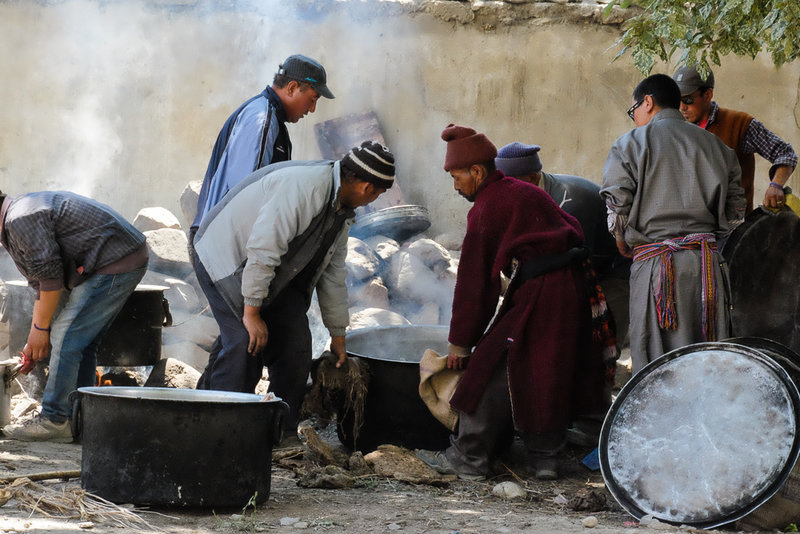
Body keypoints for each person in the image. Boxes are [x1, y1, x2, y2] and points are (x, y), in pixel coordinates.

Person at [416, 125, 604, 481]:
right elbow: (571, 227)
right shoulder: (523, 190)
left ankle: (468, 458)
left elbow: (475, 284)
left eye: (457, 178)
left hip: (544, 291)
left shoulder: (487, 207)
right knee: (548, 367)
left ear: (477, 172)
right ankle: (545, 459)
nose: (455, 187)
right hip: (572, 288)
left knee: (491, 368)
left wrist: (461, 343)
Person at [193, 142, 394, 431]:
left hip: (273, 275)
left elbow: (333, 274)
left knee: (296, 348)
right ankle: (221, 433)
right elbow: (264, 250)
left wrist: (338, 337)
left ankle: (279, 433)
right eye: (377, 194)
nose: (372, 200)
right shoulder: (306, 188)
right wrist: (252, 313)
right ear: (367, 188)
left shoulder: (342, 209)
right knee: (244, 345)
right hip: (226, 258)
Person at [600, 74, 746, 374]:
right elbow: (735, 215)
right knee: (707, 358)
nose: (635, 118)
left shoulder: (629, 144)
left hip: (655, 267)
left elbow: (617, 209)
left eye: (634, 111)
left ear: (648, 102)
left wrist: (621, 240)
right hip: (706, 268)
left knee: (656, 365)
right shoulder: (717, 147)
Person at [0, 190, 148, 442]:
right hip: (118, 258)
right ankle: (80, 418)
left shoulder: (19, 219)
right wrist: (35, 337)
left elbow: (50, 278)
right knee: (81, 342)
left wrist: (41, 329)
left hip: (115, 263)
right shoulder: (16, 217)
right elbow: (41, 281)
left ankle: (55, 420)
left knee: (65, 335)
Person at [191, 54, 334, 242]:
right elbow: (245, 195)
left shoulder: (270, 118)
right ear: (292, 88)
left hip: (221, 239)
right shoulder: (261, 119)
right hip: (220, 243)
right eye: (312, 99)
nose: (313, 108)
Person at [673, 65, 797, 213]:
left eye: (687, 100)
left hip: (731, 228)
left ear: (708, 95)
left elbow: (786, 153)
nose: (681, 107)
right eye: (676, 100)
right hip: (686, 224)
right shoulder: (675, 128)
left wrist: (775, 186)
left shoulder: (739, 124)